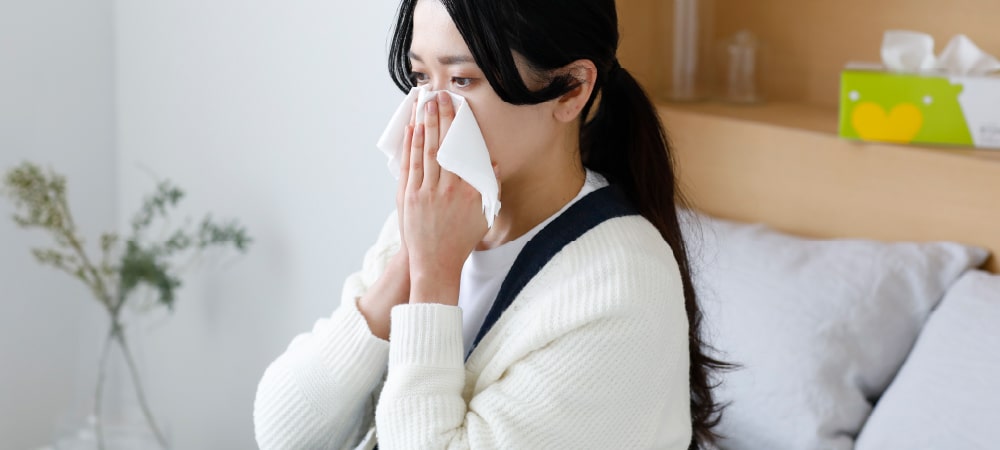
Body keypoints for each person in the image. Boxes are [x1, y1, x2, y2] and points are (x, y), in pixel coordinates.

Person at [253, 0, 727, 448]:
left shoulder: (622, 284)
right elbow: (284, 433)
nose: (429, 111)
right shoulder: (431, 219)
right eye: (421, 76)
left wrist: (435, 277)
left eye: (462, 80)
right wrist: (412, 262)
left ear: (572, 88)